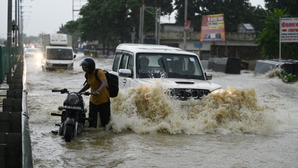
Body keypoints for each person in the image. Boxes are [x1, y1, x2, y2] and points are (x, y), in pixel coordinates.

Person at [78, 57, 111, 128]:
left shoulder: (99, 72)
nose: (84, 69)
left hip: (103, 100)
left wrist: (98, 91)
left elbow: (104, 83)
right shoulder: (87, 75)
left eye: (86, 67)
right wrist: (79, 92)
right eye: (83, 67)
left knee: (105, 123)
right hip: (93, 100)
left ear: (91, 67)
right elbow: (89, 84)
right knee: (92, 123)